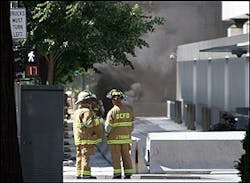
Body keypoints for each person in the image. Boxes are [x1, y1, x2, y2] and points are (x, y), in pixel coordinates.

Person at [105, 89, 135, 179]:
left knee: (116, 157)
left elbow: (108, 127)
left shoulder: (112, 112)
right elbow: (132, 125)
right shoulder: (129, 110)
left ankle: (117, 174)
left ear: (113, 100)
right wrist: (127, 132)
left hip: (114, 140)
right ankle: (128, 173)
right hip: (126, 138)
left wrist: (107, 134)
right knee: (126, 156)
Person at [72, 90, 98, 179]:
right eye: (90, 100)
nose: (92, 102)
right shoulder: (87, 111)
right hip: (86, 138)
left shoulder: (76, 112)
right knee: (86, 156)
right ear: (86, 101)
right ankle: (86, 174)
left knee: (79, 156)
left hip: (78, 139)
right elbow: (89, 124)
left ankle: (79, 173)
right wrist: (96, 120)